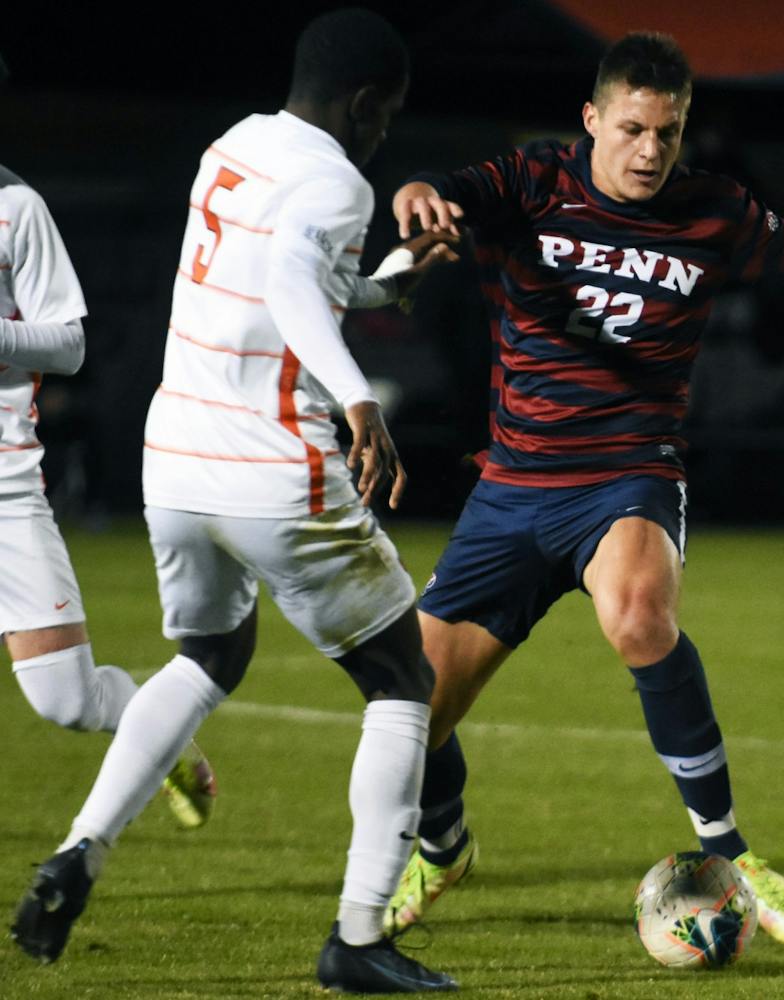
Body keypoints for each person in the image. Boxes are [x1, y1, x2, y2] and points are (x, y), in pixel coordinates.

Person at [386, 31, 784, 947]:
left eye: (668, 133)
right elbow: (451, 191)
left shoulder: (711, 212)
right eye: (634, 128)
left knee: (640, 615)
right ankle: (443, 846)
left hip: (627, 473)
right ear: (593, 119)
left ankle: (729, 854)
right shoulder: (534, 182)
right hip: (514, 488)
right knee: (410, 710)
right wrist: (420, 194)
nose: (650, 151)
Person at [9, 10, 459, 992]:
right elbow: (296, 278)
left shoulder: (233, 145)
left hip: (173, 458)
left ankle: (80, 847)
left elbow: (276, 278)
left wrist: (380, 292)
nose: (384, 134)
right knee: (402, 679)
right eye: (387, 117)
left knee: (210, 656)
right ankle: (358, 936)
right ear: (367, 103)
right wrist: (354, 397)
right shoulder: (341, 176)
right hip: (271, 467)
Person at [1, 145, 214, 830]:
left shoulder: (16, 209)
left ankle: (162, 730)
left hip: (6, 495)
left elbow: (69, 344)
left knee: (66, 700)